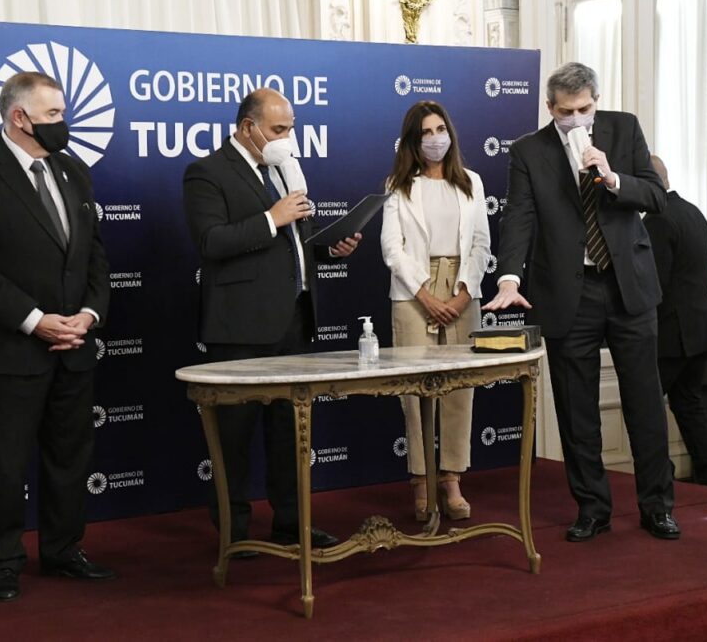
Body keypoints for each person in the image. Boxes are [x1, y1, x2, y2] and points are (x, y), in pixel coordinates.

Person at [483, 62, 680, 541]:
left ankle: (657, 506)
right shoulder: (529, 151)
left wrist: (613, 178)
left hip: (628, 286)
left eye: (584, 109)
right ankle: (592, 508)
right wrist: (509, 278)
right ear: (550, 108)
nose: (576, 119)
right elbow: (519, 217)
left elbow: (655, 196)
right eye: (566, 112)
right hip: (568, 293)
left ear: (596, 101)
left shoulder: (624, 128)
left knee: (645, 403)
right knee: (577, 410)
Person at [0, 71, 113, 601]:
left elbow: (94, 255)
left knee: (69, 457)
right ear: (20, 117)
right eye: (54, 114)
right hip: (9, 349)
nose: (64, 123)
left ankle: (62, 551)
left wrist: (88, 314)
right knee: (4, 462)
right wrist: (35, 320)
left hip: (74, 347)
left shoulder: (73, 170)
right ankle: (2, 562)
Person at [183, 88, 360, 557]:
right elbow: (211, 241)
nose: (288, 138)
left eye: (291, 129)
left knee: (290, 432)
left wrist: (329, 247)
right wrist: (271, 218)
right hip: (239, 328)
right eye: (279, 129)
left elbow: (294, 242)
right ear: (248, 128)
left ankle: (292, 523)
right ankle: (235, 533)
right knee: (234, 437)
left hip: (293, 322)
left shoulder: (283, 168)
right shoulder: (206, 172)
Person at [380, 101, 491, 521]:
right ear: (413, 139)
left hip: (462, 286)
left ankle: (452, 479)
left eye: (440, 129)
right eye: (426, 132)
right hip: (414, 291)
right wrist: (424, 295)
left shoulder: (471, 182)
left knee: (460, 388)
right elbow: (392, 248)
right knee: (415, 391)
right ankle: (421, 481)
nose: (435, 139)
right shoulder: (398, 184)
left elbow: (481, 243)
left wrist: (463, 294)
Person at [644, 155, 707, 487]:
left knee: (646, 410)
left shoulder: (657, 220)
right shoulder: (693, 212)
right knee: (689, 404)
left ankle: (661, 477)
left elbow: (655, 285)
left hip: (672, 336)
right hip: (702, 331)